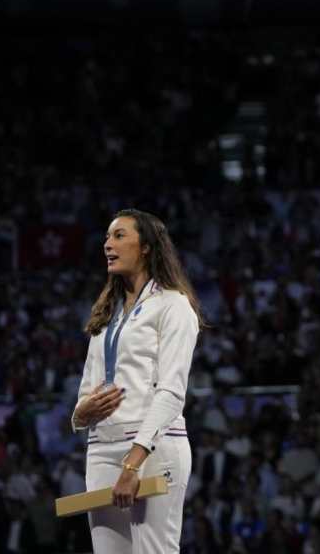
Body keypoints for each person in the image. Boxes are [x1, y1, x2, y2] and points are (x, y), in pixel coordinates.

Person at [71, 209, 204, 553]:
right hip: (101, 448)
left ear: (146, 246)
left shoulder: (173, 306)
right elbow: (87, 386)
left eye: (119, 236)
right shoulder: (105, 312)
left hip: (152, 448)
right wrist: (79, 414)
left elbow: (172, 392)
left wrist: (134, 462)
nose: (107, 245)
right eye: (106, 237)